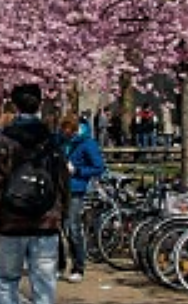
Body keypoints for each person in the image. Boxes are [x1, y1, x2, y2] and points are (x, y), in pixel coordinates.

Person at [0, 85, 69, 304]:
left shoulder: (3, 140)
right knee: (44, 283)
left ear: (14, 105)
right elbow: (63, 181)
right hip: (46, 221)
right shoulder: (51, 140)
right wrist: (62, 216)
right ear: (40, 104)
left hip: (11, 221)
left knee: (6, 280)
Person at [61, 113, 106, 283]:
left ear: (74, 129)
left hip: (75, 189)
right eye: (63, 130)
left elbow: (99, 167)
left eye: (68, 131)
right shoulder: (62, 140)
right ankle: (60, 264)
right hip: (60, 187)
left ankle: (78, 266)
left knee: (73, 228)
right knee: (59, 227)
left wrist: (77, 171)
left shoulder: (87, 143)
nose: (65, 133)